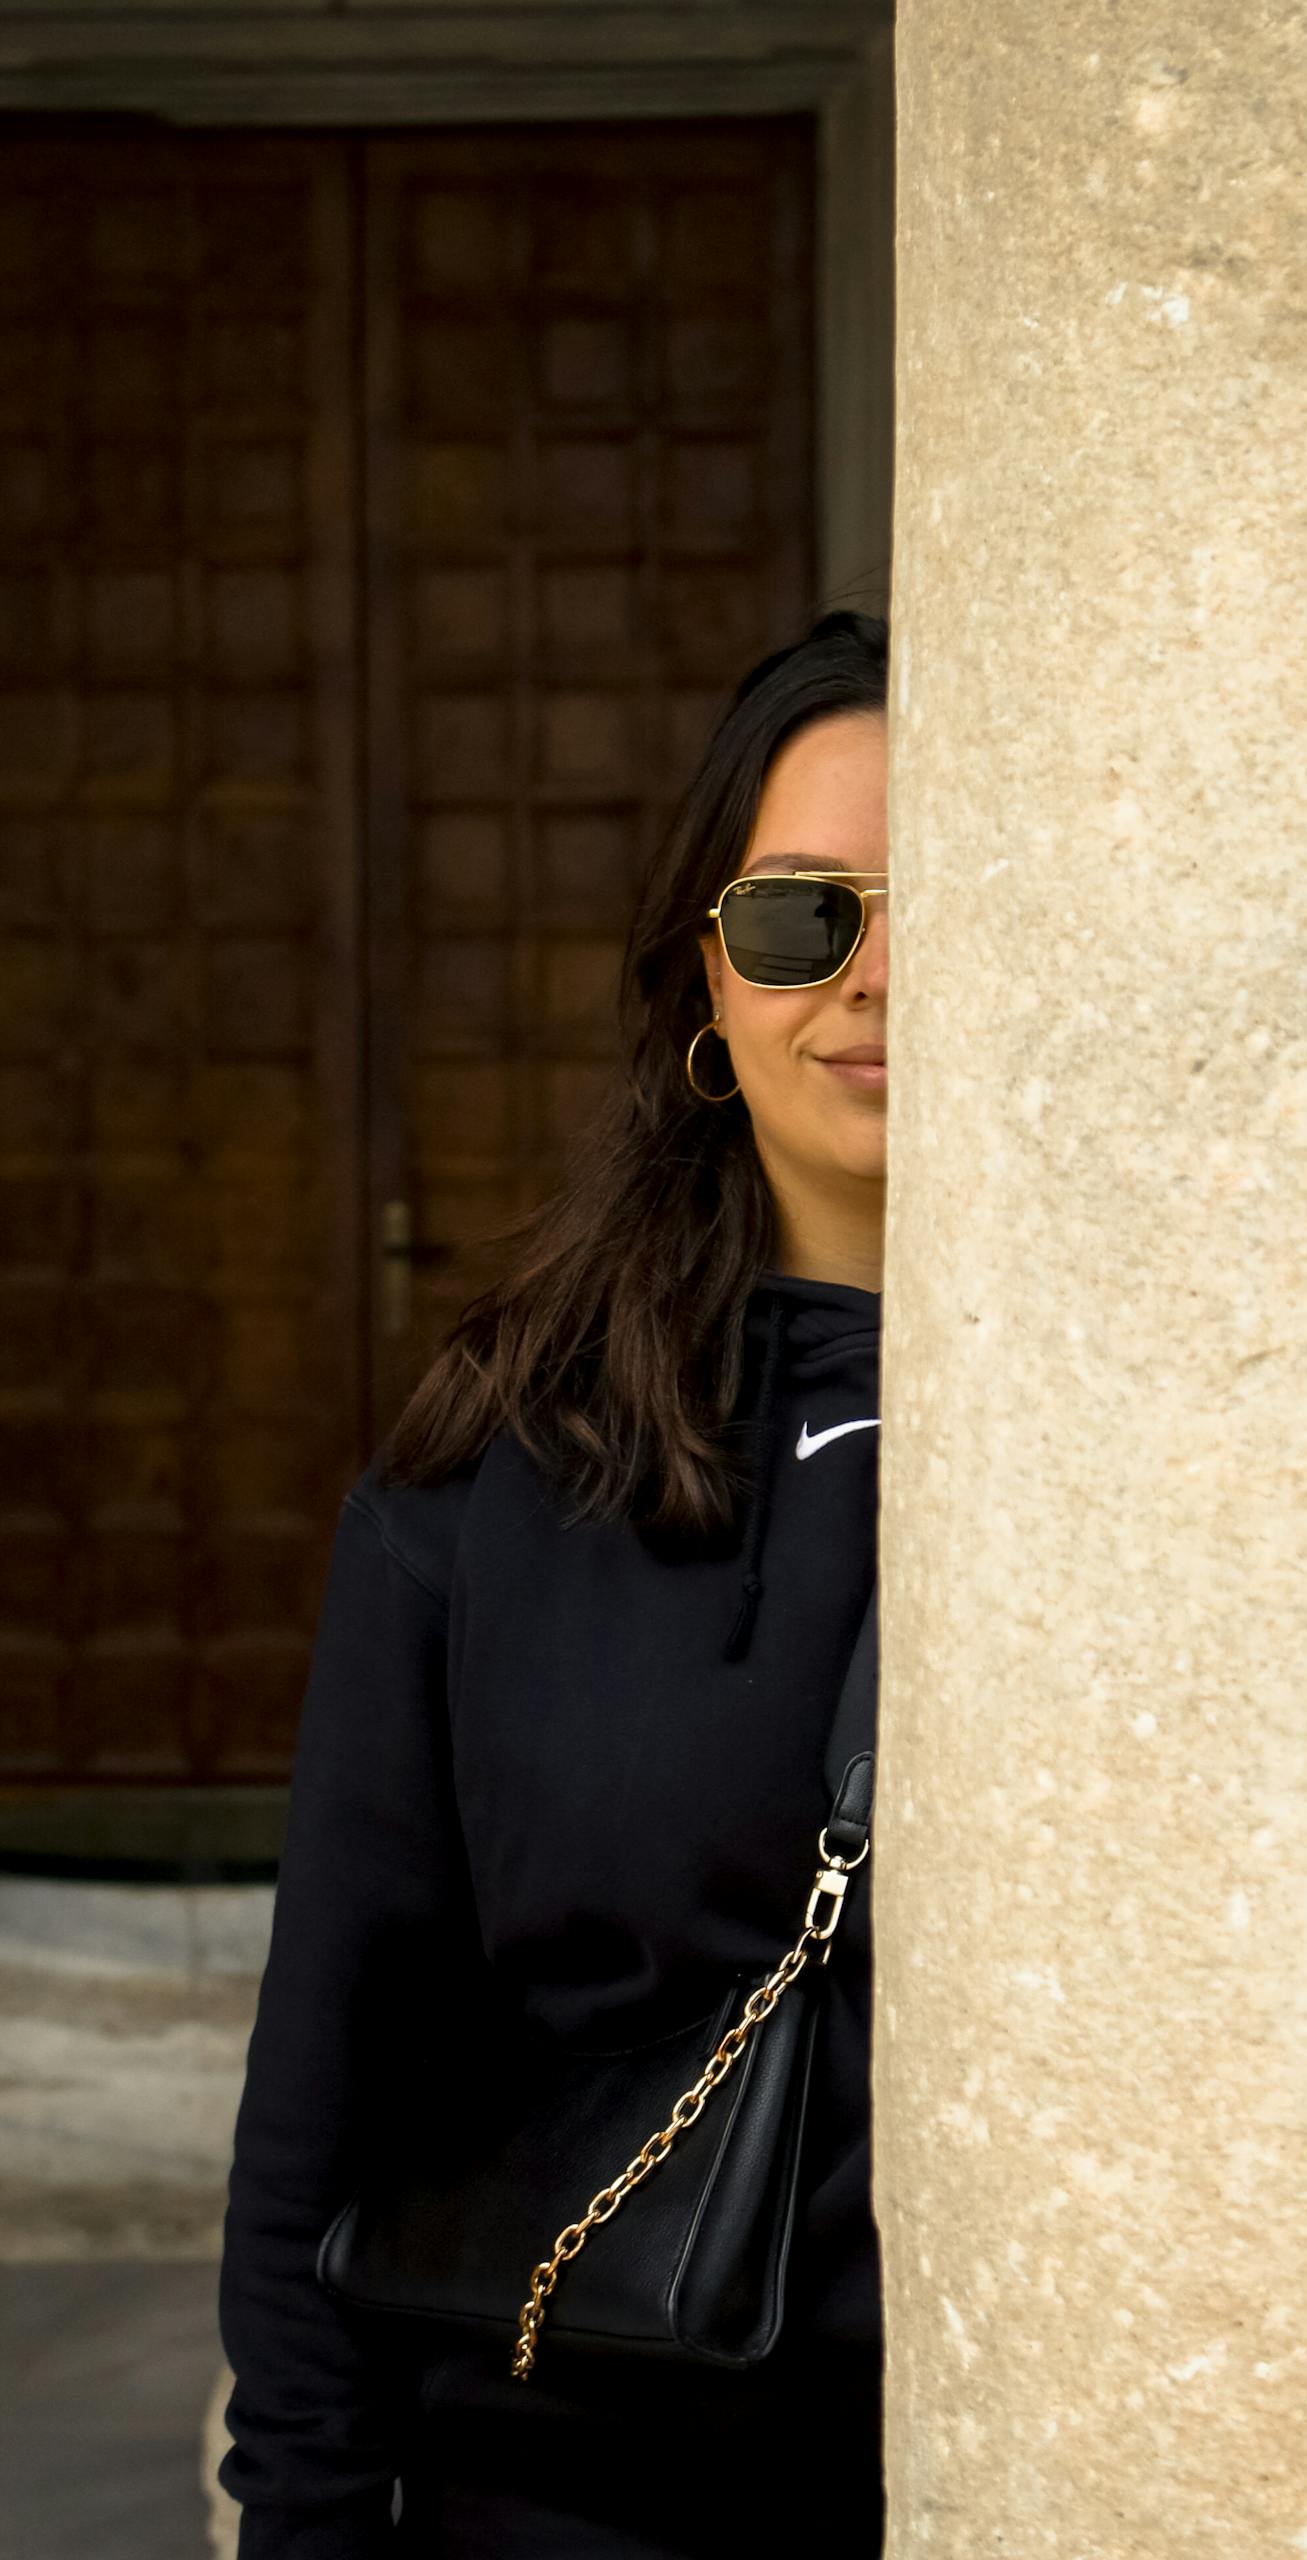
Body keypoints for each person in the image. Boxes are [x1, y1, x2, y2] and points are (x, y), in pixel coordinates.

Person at [218, 610, 891, 2557]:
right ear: (704, 965)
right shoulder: (497, 1468)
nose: (875, 976)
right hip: (568, 2504)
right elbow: (325, 2119)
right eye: (798, 916)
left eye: (963, 904)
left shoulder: (1197, 1465)